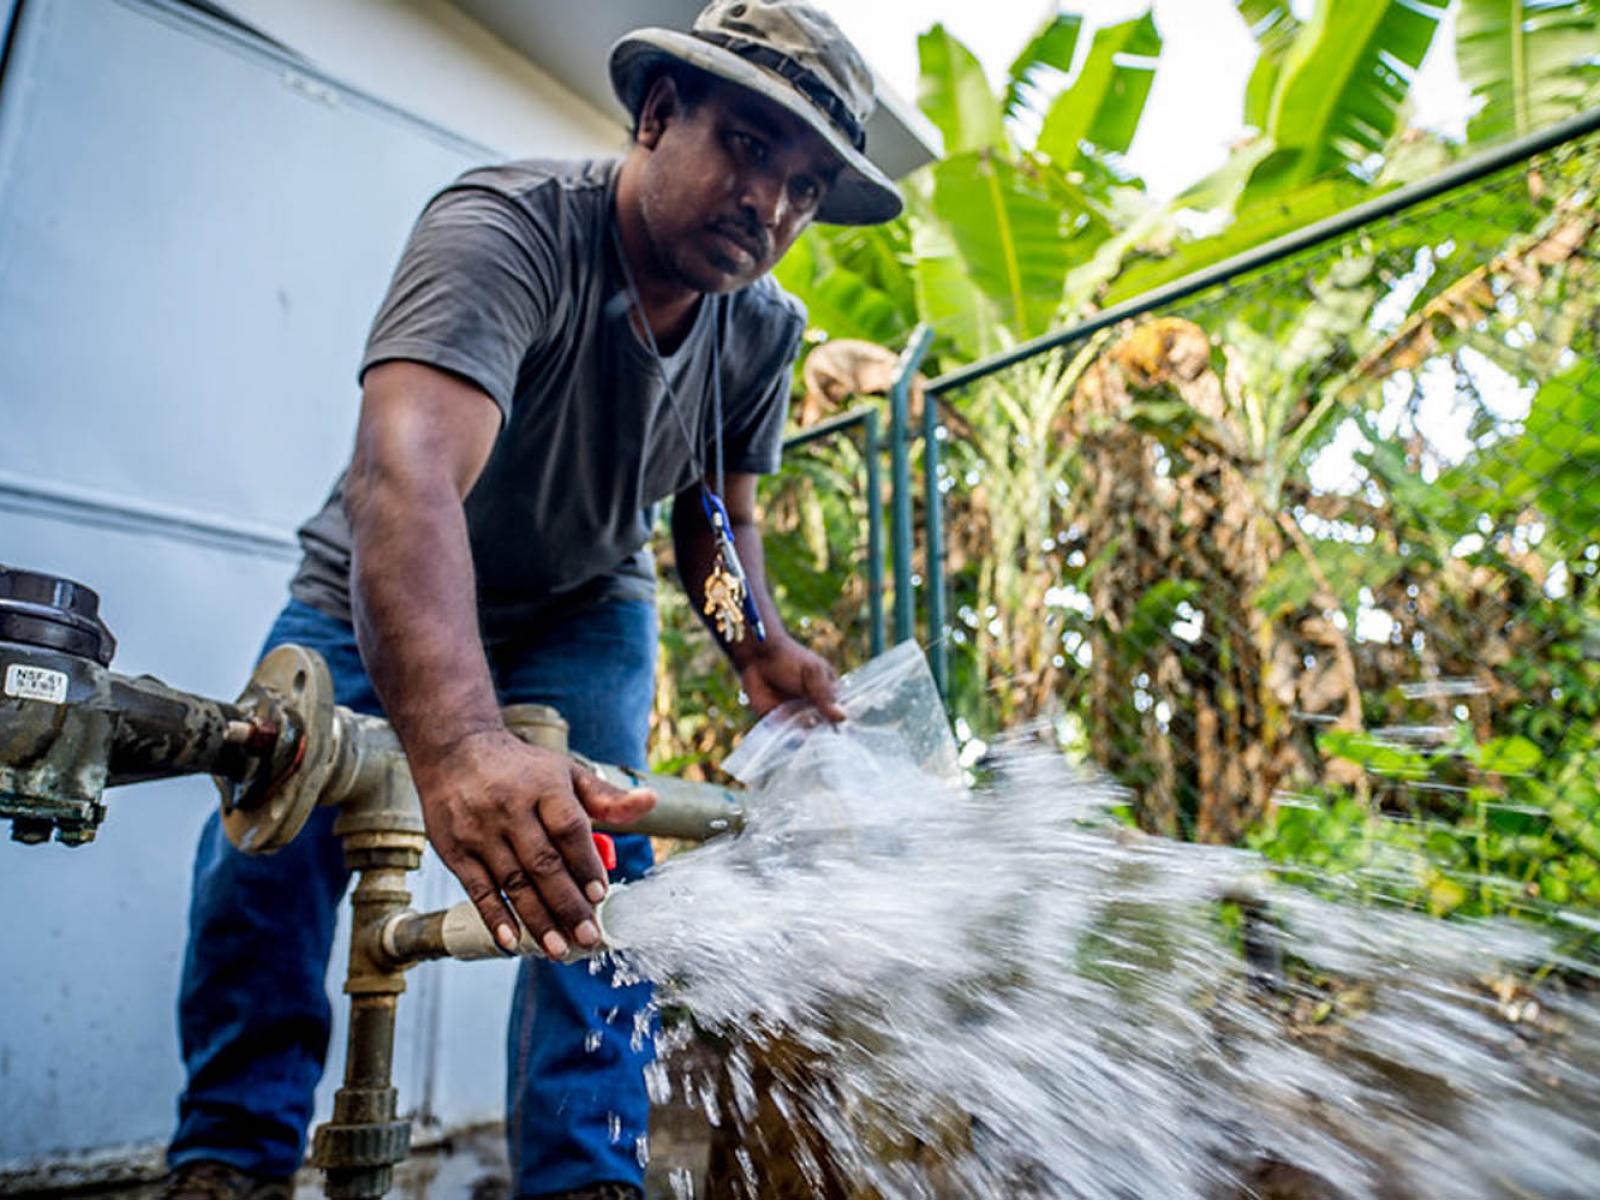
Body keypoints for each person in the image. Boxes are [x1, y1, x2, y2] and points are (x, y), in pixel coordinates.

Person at [160, 2, 902, 1199]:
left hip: (582, 602)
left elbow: (712, 512)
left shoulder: (760, 330)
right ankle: (230, 1160)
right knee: (270, 837)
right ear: (659, 113)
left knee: (600, 874)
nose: (772, 204)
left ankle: (581, 1176)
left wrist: (757, 648)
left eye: (807, 187)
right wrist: (456, 744)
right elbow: (404, 478)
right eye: (753, 147)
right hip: (377, 578)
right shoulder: (505, 227)